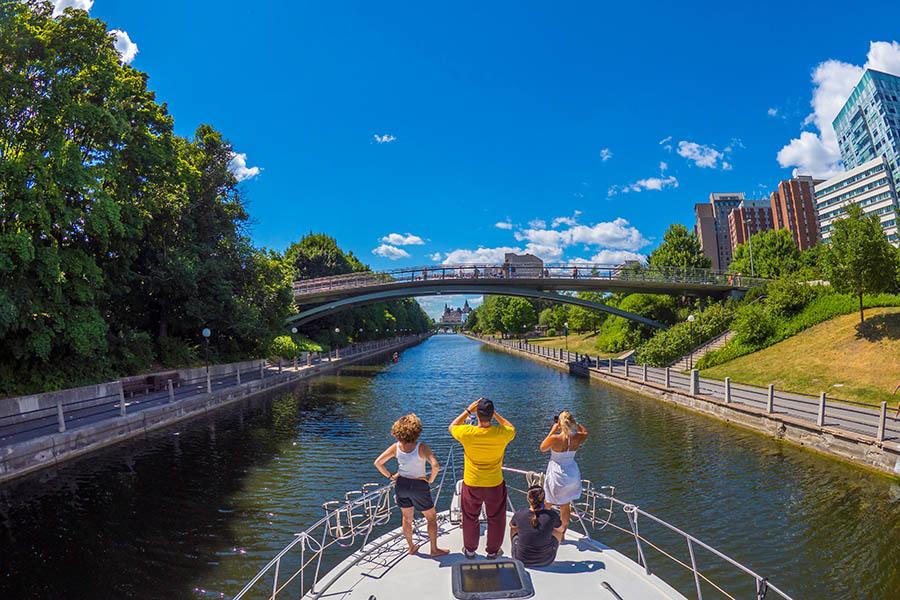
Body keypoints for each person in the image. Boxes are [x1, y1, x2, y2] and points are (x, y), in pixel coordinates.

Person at [448, 397, 516, 559]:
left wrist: (468, 410)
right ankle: (493, 551)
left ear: (477, 415)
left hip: (472, 482)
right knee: (496, 518)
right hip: (494, 483)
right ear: (491, 415)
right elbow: (511, 426)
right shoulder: (502, 433)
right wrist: (495, 415)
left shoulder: (467, 433)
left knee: (470, 517)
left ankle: (470, 550)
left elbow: (452, 426)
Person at [374, 414, 449, 557]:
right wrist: (430, 480)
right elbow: (436, 465)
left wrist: (390, 476)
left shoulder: (395, 447)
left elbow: (378, 463)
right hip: (418, 485)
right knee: (431, 518)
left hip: (401, 484)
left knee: (407, 518)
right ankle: (434, 550)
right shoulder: (421, 447)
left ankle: (411, 547)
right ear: (417, 431)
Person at [540, 410, 588, 533]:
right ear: (571, 422)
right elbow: (585, 432)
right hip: (572, 473)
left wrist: (553, 430)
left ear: (560, 424)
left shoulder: (555, 438)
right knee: (565, 505)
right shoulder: (578, 437)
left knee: (548, 502)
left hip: (557, 473)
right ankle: (562, 534)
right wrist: (576, 424)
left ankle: (544, 529)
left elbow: (542, 448)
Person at [510, 485, 564, 567]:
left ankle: (518, 548)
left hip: (520, 559)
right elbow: (561, 529)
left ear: (528, 499)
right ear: (544, 499)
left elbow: (511, 525)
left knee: (514, 527)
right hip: (546, 560)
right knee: (558, 531)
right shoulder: (552, 515)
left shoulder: (520, 513)